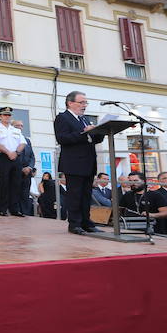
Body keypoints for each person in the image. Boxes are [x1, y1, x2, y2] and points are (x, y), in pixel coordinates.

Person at [54, 90, 105, 235]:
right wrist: (84, 132)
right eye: (81, 102)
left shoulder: (85, 119)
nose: (84, 105)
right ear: (70, 103)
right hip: (74, 163)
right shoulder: (63, 118)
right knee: (75, 195)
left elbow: (94, 139)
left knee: (86, 195)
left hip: (88, 162)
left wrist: (98, 131)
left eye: (85, 102)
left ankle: (86, 222)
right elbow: (62, 138)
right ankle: (75, 224)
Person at [0, 108, 26, 217]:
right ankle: (2, 208)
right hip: (3, 157)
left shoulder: (16, 130)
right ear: (0, 116)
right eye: (5, 115)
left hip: (15, 157)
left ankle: (14, 209)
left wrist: (16, 152)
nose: (7, 117)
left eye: (9, 115)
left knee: (16, 183)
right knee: (4, 183)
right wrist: (8, 152)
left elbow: (22, 143)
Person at [13, 120, 36, 216]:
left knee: (25, 193)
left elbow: (32, 156)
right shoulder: (11, 139)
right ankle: (16, 211)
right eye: (17, 126)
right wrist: (21, 168)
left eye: (21, 126)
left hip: (27, 172)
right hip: (16, 171)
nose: (19, 127)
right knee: (15, 192)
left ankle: (25, 212)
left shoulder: (27, 140)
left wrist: (29, 167)